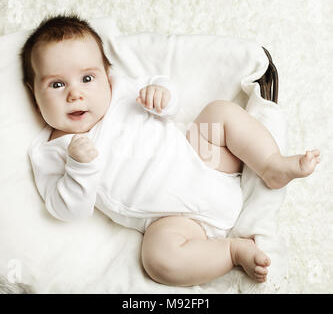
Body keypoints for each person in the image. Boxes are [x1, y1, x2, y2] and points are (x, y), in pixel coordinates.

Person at [22, 15, 320, 287]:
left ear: (106, 74)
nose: (76, 93)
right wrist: (79, 167)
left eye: (88, 78)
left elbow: (165, 95)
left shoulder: (121, 91)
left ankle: (270, 164)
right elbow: (69, 211)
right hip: (174, 221)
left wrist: (162, 96)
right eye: (57, 84)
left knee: (219, 113)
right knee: (158, 259)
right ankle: (231, 250)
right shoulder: (51, 152)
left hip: (205, 160)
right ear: (33, 93)